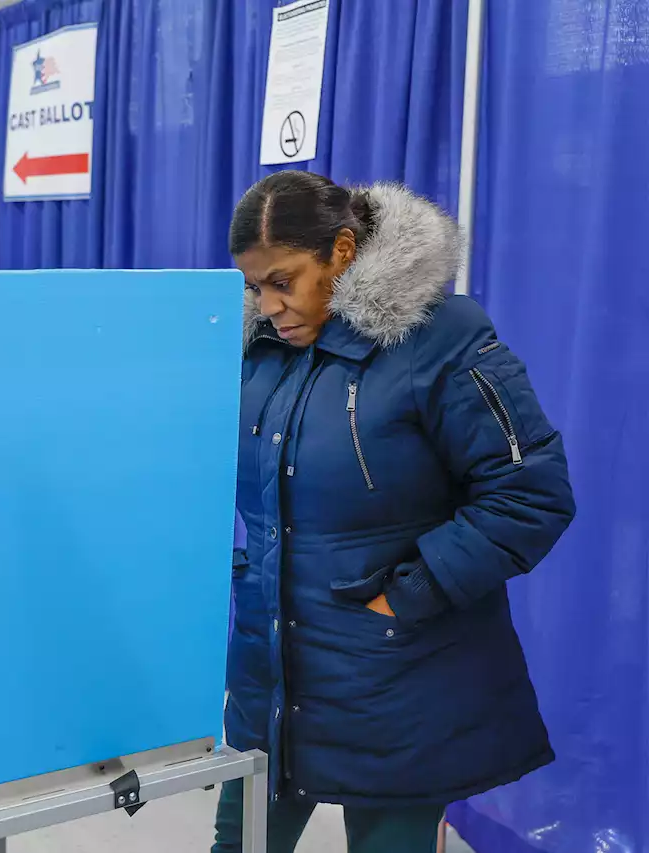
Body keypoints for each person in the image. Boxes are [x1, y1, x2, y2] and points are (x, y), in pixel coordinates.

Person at [213, 172, 575, 853]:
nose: (268, 305)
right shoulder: (258, 350)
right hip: (274, 674)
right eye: (254, 287)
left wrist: (407, 595)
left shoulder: (440, 341)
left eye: (283, 281)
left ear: (343, 252)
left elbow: (531, 491)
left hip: (400, 680)